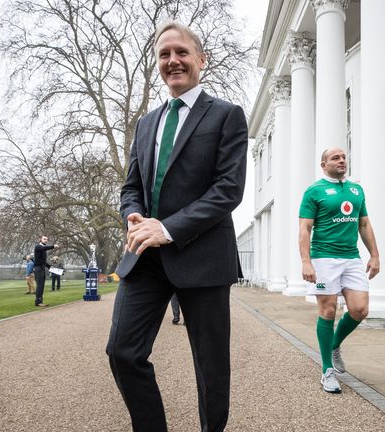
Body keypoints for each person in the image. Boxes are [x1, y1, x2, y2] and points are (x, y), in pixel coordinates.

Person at [105, 21, 247, 432]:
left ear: (201, 60)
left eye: (181, 52)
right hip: (146, 257)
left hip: (203, 256)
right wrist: (133, 214)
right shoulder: (146, 123)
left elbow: (228, 190)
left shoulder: (226, 115)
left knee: (211, 368)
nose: (173, 61)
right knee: (122, 352)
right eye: (164, 55)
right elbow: (131, 186)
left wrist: (167, 228)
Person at [298, 148, 380, 394]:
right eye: (335, 158)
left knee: (359, 309)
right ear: (323, 164)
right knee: (328, 310)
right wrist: (306, 261)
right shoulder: (314, 191)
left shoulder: (357, 190)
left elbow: (364, 223)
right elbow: (305, 229)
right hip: (324, 258)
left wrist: (374, 255)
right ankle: (327, 371)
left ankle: (334, 345)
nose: (342, 160)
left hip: (351, 258)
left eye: (344, 157)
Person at [33, 234, 59, 307]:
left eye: (46, 239)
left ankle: (40, 301)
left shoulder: (43, 249)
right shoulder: (38, 247)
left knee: (42, 286)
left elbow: (43, 261)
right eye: (44, 239)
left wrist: (50, 267)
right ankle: (38, 302)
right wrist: (53, 246)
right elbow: (43, 248)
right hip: (38, 268)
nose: (46, 240)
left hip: (42, 268)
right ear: (40, 240)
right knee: (40, 285)